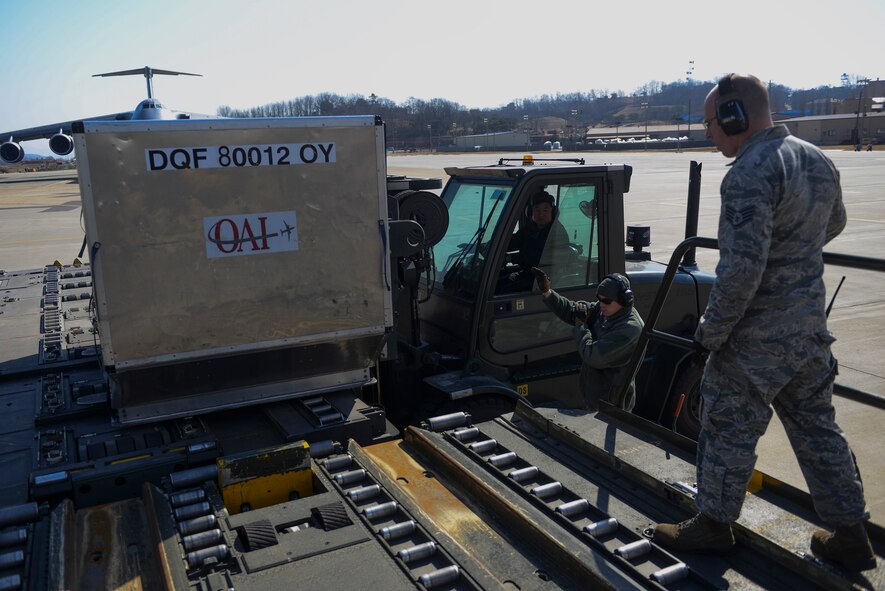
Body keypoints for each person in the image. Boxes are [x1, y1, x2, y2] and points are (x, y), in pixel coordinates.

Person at [653, 73, 876, 572]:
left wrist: (710, 333)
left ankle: (713, 523)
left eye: (712, 122)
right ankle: (850, 533)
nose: (710, 133)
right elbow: (833, 222)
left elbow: (740, 272)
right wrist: (794, 250)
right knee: (818, 430)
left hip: (755, 339)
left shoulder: (749, 172)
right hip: (809, 332)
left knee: (726, 425)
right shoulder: (815, 159)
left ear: (735, 116)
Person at [531, 268, 643, 411]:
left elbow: (592, 355)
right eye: (599, 299)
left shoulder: (630, 330)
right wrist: (548, 293)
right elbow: (573, 310)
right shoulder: (606, 311)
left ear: (624, 300)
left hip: (614, 407)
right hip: (596, 397)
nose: (601, 304)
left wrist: (580, 325)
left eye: (606, 301)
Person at [498, 190, 569, 292]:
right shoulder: (531, 228)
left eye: (545, 210)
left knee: (503, 291)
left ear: (553, 212)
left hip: (545, 280)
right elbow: (514, 241)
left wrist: (509, 258)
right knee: (498, 283)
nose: (540, 215)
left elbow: (536, 258)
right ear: (530, 212)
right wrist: (491, 246)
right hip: (529, 274)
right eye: (537, 210)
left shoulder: (556, 233)